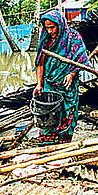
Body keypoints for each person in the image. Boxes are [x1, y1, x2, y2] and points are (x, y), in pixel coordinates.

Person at [33, 10, 89, 143]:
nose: (50, 31)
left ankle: (63, 144)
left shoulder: (73, 38)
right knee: (48, 114)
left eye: (52, 27)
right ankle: (47, 144)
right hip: (49, 84)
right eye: (47, 28)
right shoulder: (45, 40)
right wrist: (39, 84)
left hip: (67, 85)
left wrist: (71, 74)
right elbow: (40, 63)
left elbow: (80, 59)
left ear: (60, 25)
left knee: (67, 113)